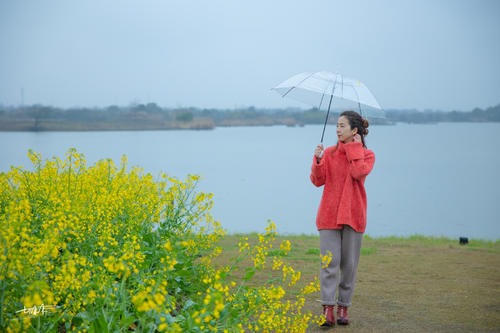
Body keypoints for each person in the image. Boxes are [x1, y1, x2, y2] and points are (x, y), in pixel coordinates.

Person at [310, 110, 375, 327]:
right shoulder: (329, 153)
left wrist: (354, 149)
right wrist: (318, 160)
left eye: (342, 126)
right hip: (328, 216)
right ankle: (327, 309)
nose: (337, 130)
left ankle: (343, 307)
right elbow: (317, 181)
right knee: (329, 264)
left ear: (354, 131)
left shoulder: (367, 155)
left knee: (349, 265)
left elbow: (358, 174)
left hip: (354, 216)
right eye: (336, 126)